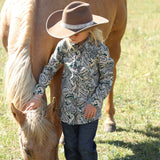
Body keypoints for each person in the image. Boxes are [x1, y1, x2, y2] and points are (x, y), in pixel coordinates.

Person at [25, 1, 114, 160]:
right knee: (70, 149)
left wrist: (94, 101)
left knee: (85, 148)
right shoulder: (63, 47)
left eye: (77, 32)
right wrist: (38, 94)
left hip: (88, 112)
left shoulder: (100, 50)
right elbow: (50, 69)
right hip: (67, 113)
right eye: (69, 31)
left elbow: (107, 78)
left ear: (88, 29)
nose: (72, 36)